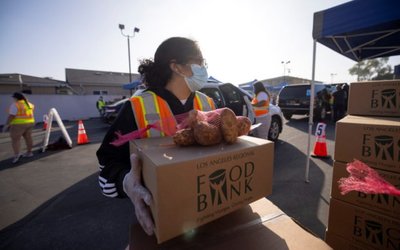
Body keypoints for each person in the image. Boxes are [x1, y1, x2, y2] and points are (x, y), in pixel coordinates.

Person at [96, 37, 215, 238]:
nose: (204, 68)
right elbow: (106, 169)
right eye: (200, 62)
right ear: (177, 67)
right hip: (162, 222)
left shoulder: (208, 103)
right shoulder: (136, 107)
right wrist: (127, 183)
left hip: (212, 209)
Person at [2, 92, 35, 163]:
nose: (13, 99)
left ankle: (17, 155)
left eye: (13, 98)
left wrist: (6, 125)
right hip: (30, 123)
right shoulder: (30, 104)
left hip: (18, 125)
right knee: (28, 138)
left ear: (16, 98)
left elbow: (11, 116)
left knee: (15, 140)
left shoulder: (15, 105)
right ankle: (29, 152)